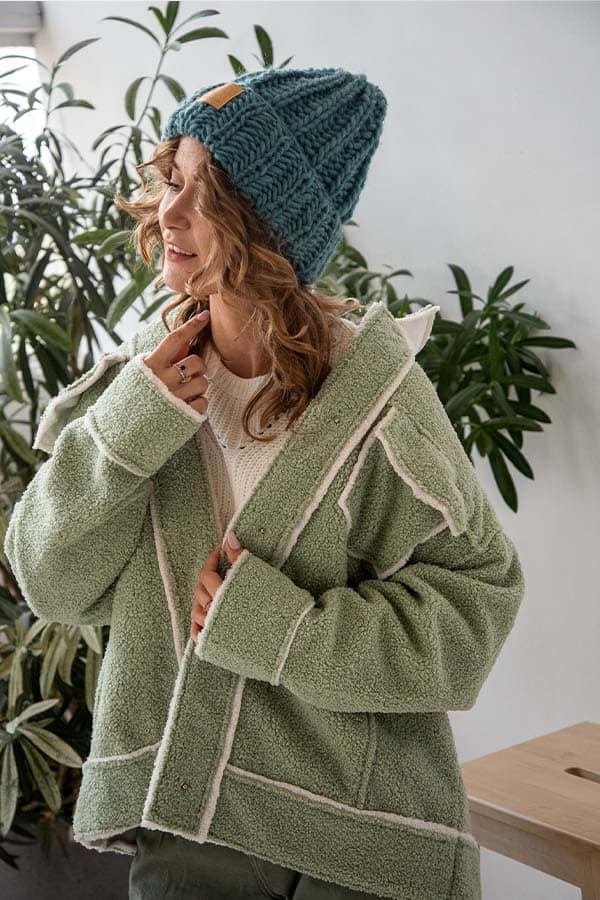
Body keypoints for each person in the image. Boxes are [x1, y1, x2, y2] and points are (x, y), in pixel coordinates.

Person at [4, 67, 525, 900]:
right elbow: (52, 583)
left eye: (205, 192)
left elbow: (474, 613)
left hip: (359, 835)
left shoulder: (377, 403)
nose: (169, 212)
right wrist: (123, 438)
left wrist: (285, 631)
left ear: (269, 225)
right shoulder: (143, 383)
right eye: (172, 178)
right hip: (188, 824)